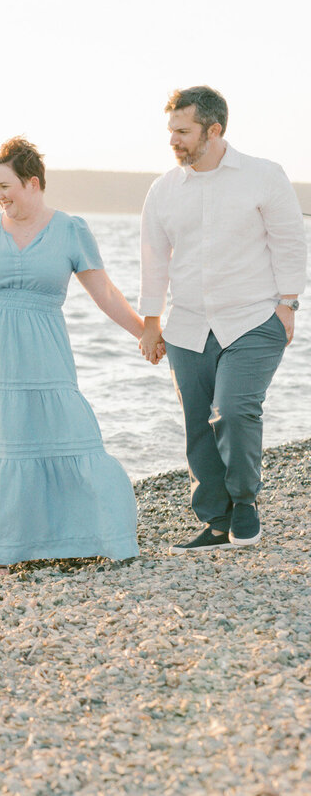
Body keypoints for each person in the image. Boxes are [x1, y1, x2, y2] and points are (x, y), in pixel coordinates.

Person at [0, 137, 142, 577]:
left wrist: (144, 331)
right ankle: (1, 541)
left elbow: (104, 293)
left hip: (42, 355)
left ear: (33, 182)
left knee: (67, 435)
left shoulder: (71, 230)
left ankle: (103, 530)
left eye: (5, 185)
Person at [139, 86, 307, 554]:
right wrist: (151, 322)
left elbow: (290, 242)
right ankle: (216, 522)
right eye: (170, 130)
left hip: (253, 318)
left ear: (214, 131)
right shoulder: (163, 190)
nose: (173, 140)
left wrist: (288, 304)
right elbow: (154, 259)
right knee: (198, 424)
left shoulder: (264, 176)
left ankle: (245, 504)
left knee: (233, 411)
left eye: (183, 131)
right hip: (187, 324)